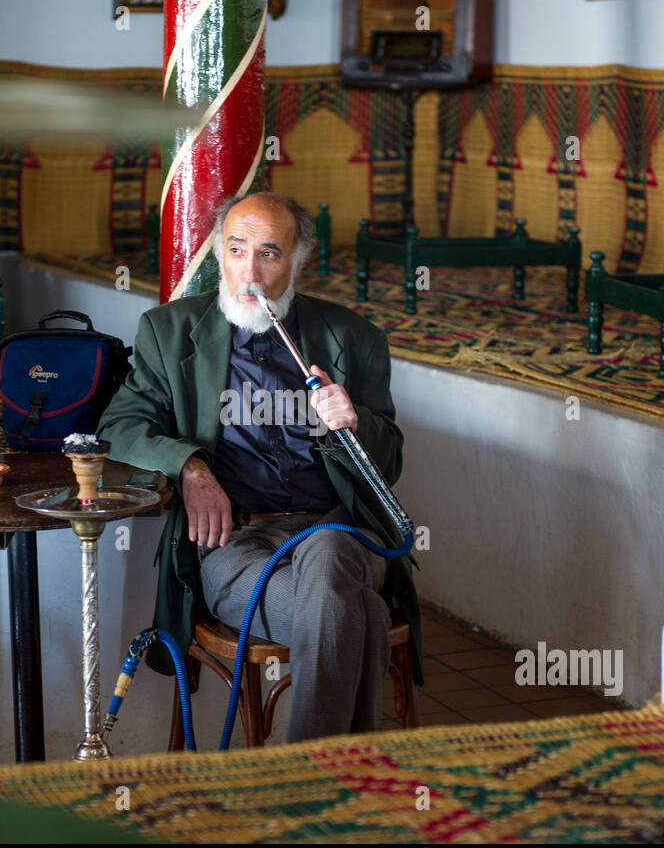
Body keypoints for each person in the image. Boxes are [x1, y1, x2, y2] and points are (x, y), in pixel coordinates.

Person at [97, 191, 422, 743]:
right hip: (237, 543)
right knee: (353, 611)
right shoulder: (170, 331)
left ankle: (304, 780)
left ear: (298, 263)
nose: (250, 270)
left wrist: (357, 423)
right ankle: (336, 780)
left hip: (340, 528)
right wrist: (191, 467)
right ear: (218, 253)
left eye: (270, 253)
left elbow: (387, 464)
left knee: (331, 549)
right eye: (237, 249)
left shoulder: (354, 338)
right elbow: (118, 427)